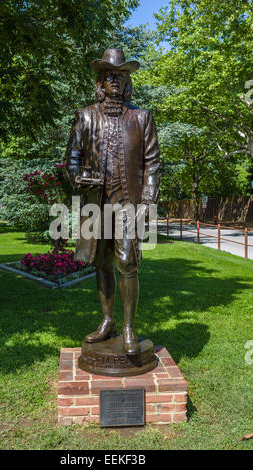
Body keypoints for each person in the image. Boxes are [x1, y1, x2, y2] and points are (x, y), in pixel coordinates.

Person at [64, 49, 161, 355]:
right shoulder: (86, 116)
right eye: (109, 76)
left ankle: (129, 329)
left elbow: (153, 162)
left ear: (126, 81)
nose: (114, 81)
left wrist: (148, 200)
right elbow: (72, 158)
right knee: (101, 264)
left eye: (120, 76)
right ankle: (108, 322)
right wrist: (78, 178)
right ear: (100, 83)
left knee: (128, 264)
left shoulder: (141, 118)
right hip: (96, 204)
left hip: (129, 203)